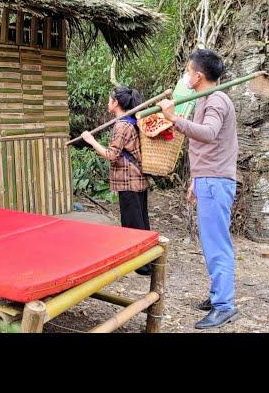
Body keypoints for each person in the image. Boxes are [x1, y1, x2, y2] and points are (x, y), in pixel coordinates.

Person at [158, 48, 239, 329]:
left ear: (198, 75)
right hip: (209, 179)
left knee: (217, 244)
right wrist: (195, 179)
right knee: (211, 242)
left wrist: (173, 120)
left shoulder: (216, 100)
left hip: (216, 182)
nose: (185, 76)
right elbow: (210, 148)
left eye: (188, 71)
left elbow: (208, 134)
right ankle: (218, 294)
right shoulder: (207, 98)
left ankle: (224, 305)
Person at [80, 86, 152, 276]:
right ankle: (146, 262)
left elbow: (112, 155)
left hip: (129, 180)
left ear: (116, 102)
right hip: (138, 179)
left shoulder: (122, 125)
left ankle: (143, 265)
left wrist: (91, 140)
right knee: (141, 221)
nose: (107, 103)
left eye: (109, 99)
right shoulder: (130, 122)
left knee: (133, 224)